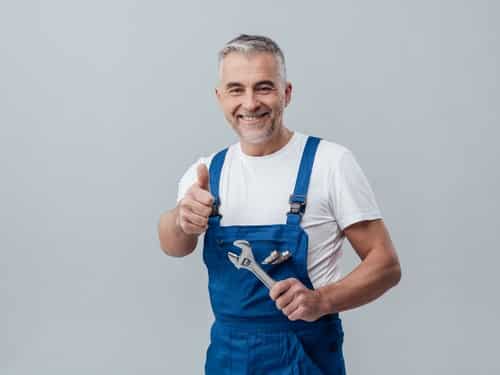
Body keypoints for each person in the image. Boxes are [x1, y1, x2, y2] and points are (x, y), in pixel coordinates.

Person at [158, 34, 401, 374]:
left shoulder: (330, 163)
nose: (250, 102)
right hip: (228, 355)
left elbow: (386, 265)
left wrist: (323, 301)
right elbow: (173, 245)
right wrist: (181, 220)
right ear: (220, 98)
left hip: (305, 352)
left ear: (286, 93)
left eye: (264, 87)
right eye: (236, 89)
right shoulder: (207, 171)